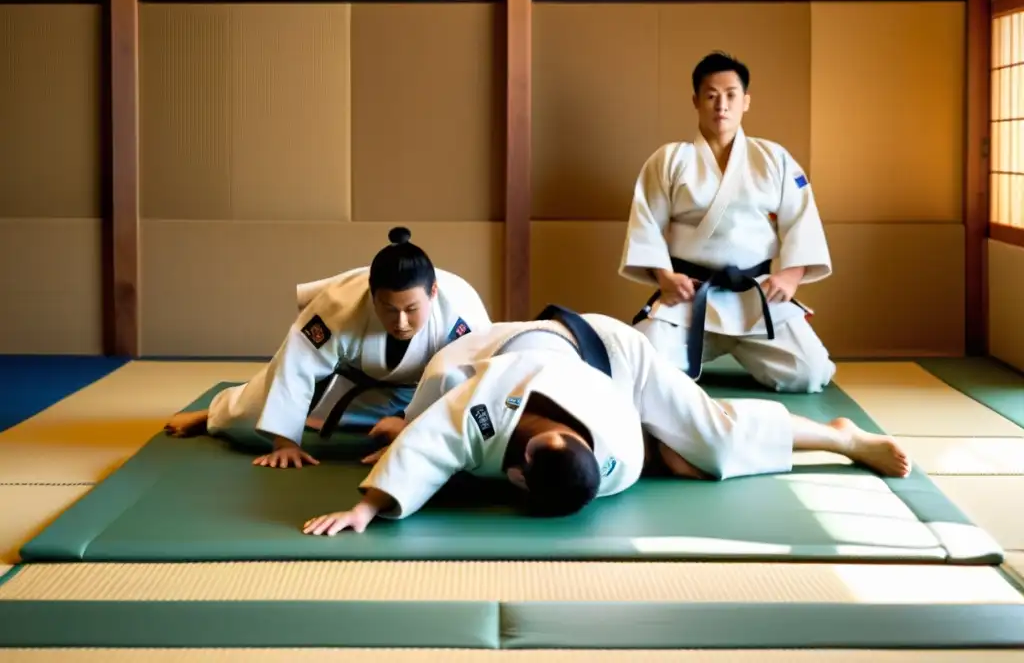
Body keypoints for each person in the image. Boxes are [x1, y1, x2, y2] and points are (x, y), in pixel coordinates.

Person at [357, 307, 909, 492]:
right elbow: (437, 427)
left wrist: (405, 431)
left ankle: (841, 437)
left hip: (616, 357)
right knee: (692, 458)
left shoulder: (467, 388)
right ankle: (674, 446)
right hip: (569, 379)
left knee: (715, 444)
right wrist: (405, 426)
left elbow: (440, 429)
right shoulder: (453, 382)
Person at [163, 226, 492, 470]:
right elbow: (296, 366)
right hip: (351, 372)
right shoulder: (340, 305)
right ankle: (213, 413)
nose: (402, 321)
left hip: (419, 389)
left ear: (433, 291)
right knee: (252, 416)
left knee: (373, 426)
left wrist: (412, 436)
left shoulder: (461, 308)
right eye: (390, 310)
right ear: (372, 294)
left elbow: (474, 383)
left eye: (412, 309)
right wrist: (285, 442)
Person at [620, 51, 835, 394]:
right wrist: (664, 277)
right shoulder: (670, 159)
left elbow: (802, 221)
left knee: (809, 372)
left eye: (731, 95)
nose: (721, 105)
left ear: (745, 101)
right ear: (696, 101)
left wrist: (791, 275)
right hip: (690, 296)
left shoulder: (774, 159)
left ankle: (747, 349)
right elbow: (645, 223)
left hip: (755, 295)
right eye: (711, 95)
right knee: (637, 368)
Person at [302, 349, 646, 536]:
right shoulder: (487, 403)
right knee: (443, 376)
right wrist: (367, 507)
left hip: (592, 358)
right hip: (508, 347)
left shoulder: (624, 458)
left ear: (518, 477)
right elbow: (429, 442)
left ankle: (400, 428)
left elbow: (436, 444)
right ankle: (403, 422)